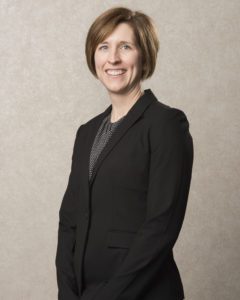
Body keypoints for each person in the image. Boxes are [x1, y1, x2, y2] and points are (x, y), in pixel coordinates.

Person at [55, 6, 194, 300]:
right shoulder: (86, 132)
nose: (113, 58)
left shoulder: (165, 124)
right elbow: (69, 220)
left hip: (142, 294)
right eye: (104, 46)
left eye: (125, 46)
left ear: (144, 56)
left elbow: (161, 226)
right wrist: (67, 293)